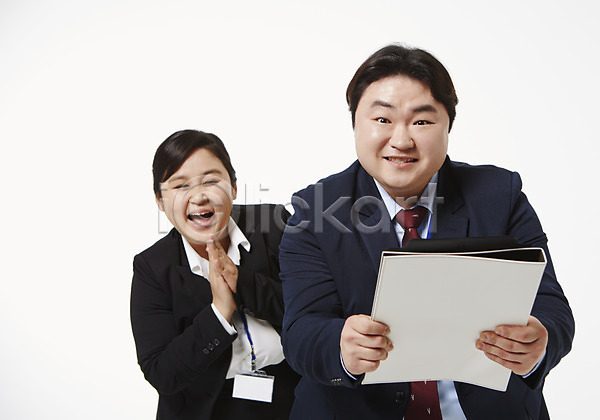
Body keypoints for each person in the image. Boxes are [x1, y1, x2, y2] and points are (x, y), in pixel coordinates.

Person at [279, 44, 574, 419]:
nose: (401, 141)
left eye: (421, 121)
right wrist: (340, 346)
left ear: (448, 125)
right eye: (382, 119)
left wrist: (539, 343)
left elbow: (552, 308)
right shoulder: (315, 211)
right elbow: (301, 332)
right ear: (355, 123)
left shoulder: (501, 196)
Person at [130, 129, 299, 419]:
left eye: (211, 181)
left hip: (291, 398)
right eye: (180, 185)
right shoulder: (152, 268)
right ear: (160, 200)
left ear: (233, 187)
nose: (199, 196)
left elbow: (314, 309)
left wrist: (242, 283)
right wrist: (220, 312)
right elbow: (162, 373)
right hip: (207, 409)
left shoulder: (274, 225)